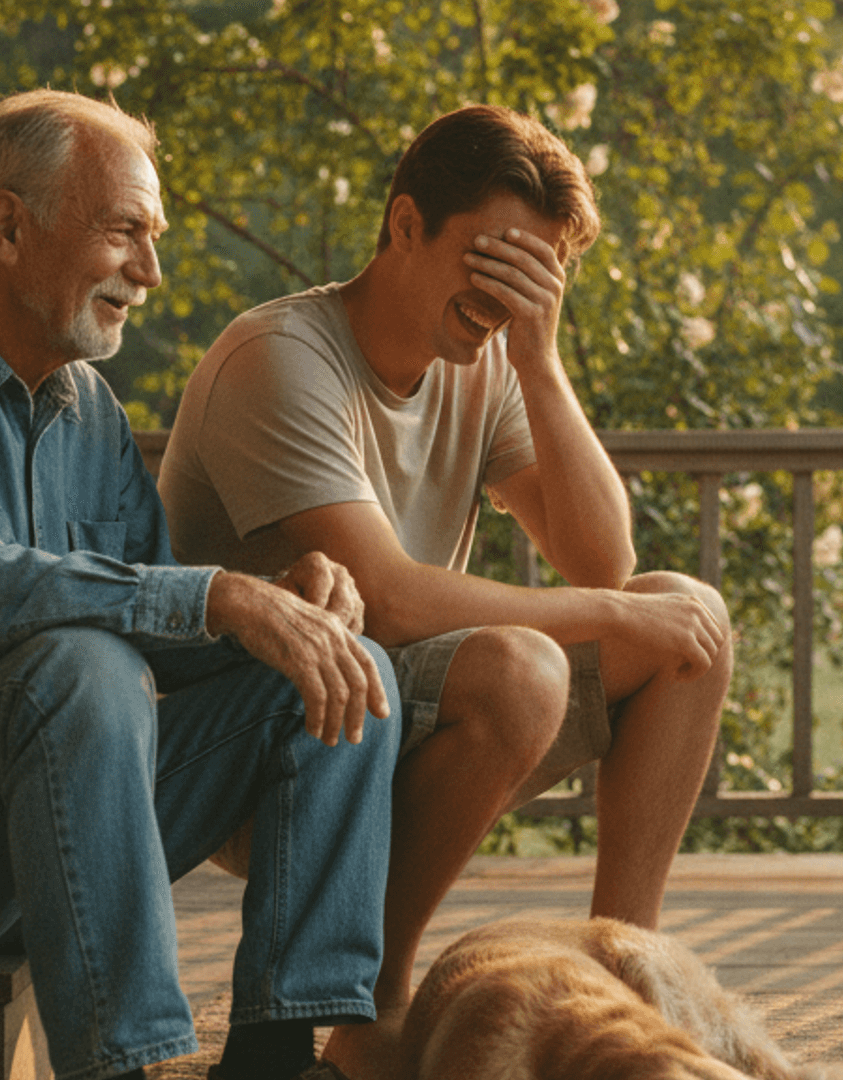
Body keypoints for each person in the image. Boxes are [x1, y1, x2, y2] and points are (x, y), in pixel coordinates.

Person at [0, 89, 400, 1080]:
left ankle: (273, 1057)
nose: (151, 270)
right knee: (83, 667)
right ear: (7, 225)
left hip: (54, 806)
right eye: (126, 231)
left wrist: (275, 604)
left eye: (155, 237)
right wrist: (221, 595)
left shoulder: (86, 408)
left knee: (346, 671)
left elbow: (152, 612)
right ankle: (119, 1067)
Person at [157, 104, 734, 1078]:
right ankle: (368, 1007)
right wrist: (612, 611)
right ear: (406, 223)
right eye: (490, 257)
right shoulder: (281, 359)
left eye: (536, 273)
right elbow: (386, 598)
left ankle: (623, 963)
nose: (506, 295)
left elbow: (601, 556)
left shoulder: (484, 364)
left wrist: (541, 364)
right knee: (520, 669)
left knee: (691, 618)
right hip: (271, 764)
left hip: (395, 717)